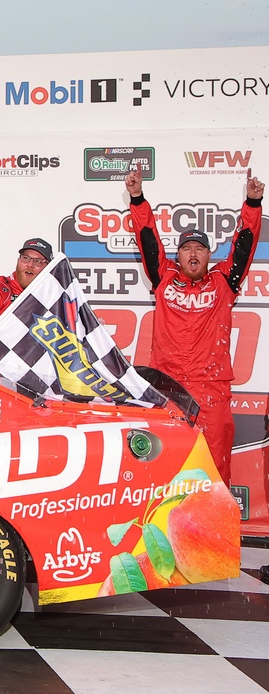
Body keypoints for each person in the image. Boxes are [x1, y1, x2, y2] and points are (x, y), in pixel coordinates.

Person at [126, 167, 263, 485]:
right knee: (165, 465)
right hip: (168, 387)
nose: (193, 253)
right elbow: (148, 238)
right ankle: (166, 518)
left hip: (211, 390)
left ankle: (217, 519)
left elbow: (244, 245)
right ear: (177, 256)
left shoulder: (224, 281)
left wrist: (253, 204)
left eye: (199, 248)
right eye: (187, 248)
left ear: (209, 256)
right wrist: (137, 198)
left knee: (214, 469)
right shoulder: (164, 278)